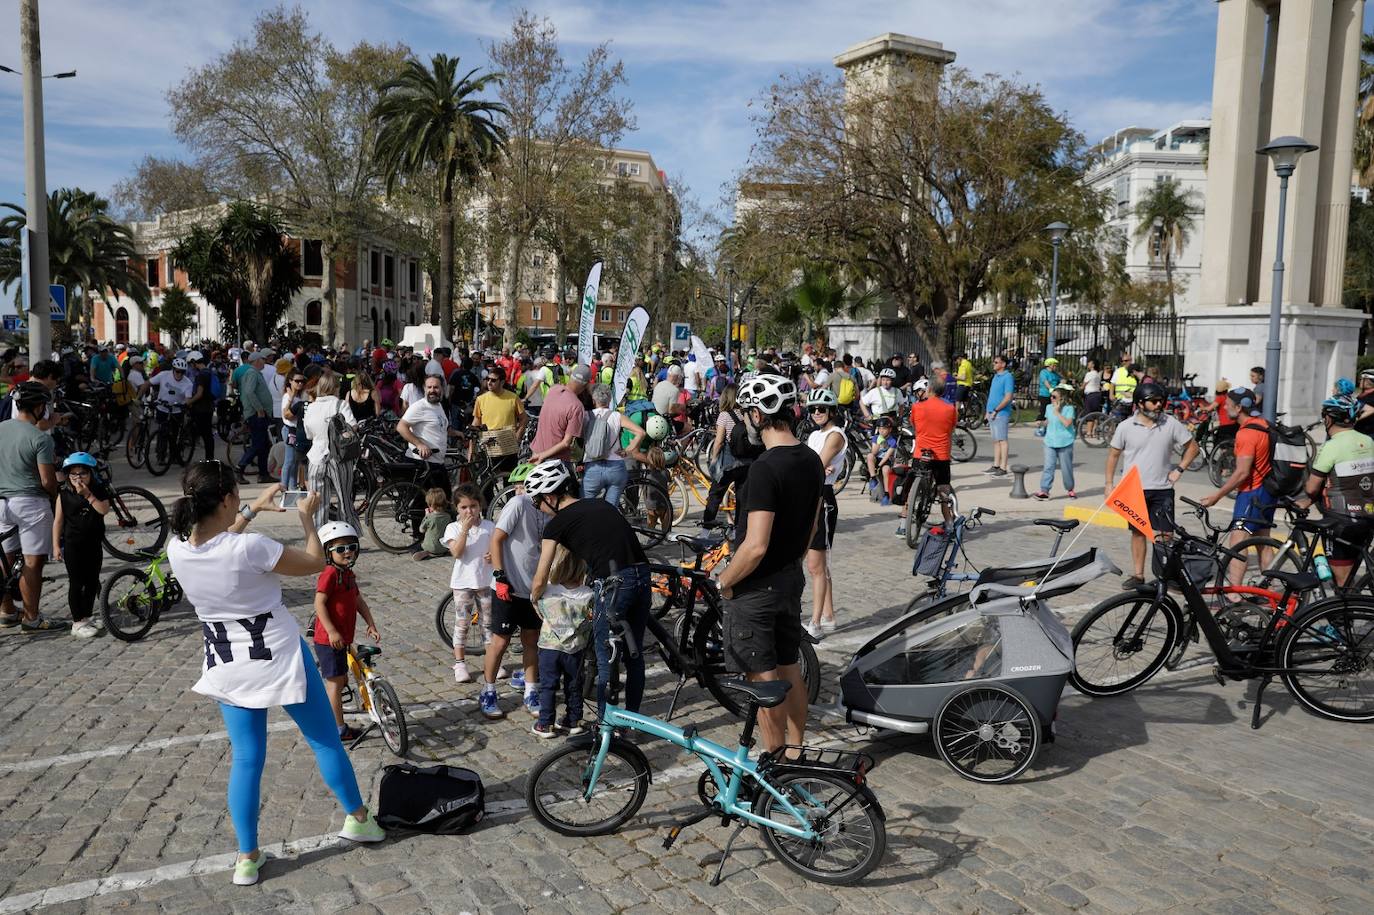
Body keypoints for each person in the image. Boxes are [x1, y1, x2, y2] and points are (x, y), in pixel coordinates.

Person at [166, 467, 383, 887]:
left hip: (226, 663)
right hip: (280, 656)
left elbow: (216, 540)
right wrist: (306, 517)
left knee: (247, 759)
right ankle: (358, 818)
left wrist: (251, 509)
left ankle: (247, 857)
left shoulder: (177, 547)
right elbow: (314, 562)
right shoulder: (250, 548)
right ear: (226, 498)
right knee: (324, 740)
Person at [717, 375, 823, 753]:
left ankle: (773, 763)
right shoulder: (810, 458)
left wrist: (724, 581)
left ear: (758, 414)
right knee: (789, 668)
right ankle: (795, 750)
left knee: (763, 682)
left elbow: (755, 546)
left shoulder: (765, 467)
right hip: (789, 578)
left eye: (747, 413)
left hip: (756, 588)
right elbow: (811, 526)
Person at [527, 460, 652, 715]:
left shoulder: (557, 525)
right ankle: (633, 721)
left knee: (604, 654)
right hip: (643, 574)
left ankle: (605, 723)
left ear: (550, 496)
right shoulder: (602, 504)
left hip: (616, 583)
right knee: (634, 655)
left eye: (537, 501)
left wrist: (534, 599)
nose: (538, 507)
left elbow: (541, 577)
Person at [1105, 382, 1199, 588]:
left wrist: (1180, 469)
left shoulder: (1171, 423)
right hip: (1135, 489)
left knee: (1165, 536)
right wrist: (1109, 483)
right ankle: (1138, 574)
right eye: (1154, 401)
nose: (1159, 405)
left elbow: (1193, 447)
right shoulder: (1126, 427)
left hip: (1163, 489)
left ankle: (1165, 576)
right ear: (1140, 403)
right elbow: (1113, 455)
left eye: (1161, 401)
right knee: (1138, 533)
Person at [482, 463, 545, 719]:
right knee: (500, 642)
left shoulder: (549, 509)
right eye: (517, 487)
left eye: (523, 486)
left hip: (533, 589)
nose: (520, 491)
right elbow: (496, 538)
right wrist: (499, 577)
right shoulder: (518, 504)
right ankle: (488, 690)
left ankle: (531, 689)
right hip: (507, 586)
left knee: (531, 641)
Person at [0, 383, 63, 632]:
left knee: (4, 559)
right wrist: (57, 497)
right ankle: (31, 617)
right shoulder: (39, 439)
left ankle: (6, 611)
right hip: (30, 504)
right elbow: (48, 481)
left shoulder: (1, 428)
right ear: (38, 407)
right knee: (32, 562)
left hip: (1, 503)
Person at [1199, 387, 1275, 586]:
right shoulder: (1263, 425)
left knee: (1237, 542)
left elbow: (1242, 472)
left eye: (1229, 404)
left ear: (1239, 407)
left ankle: (1234, 594)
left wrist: (1217, 495)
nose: (1224, 406)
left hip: (1251, 493)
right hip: (1267, 492)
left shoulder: (1247, 434)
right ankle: (1270, 592)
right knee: (1262, 542)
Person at [1296, 395, 1374, 587]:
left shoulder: (1331, 446)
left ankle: (1342, 615)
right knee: (1352, 575)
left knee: (1342, 584)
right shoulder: (1368, 441)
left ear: (1328, 419)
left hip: (1340, 520)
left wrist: (1306, 497)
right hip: (1368, 517)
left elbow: (1312, 487)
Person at [312, 522, 380, 742]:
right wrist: (331, 631)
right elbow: (319, 604)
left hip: (342, 638)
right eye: (340, 549)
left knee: (340, 679)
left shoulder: (348, 574)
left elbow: (358, 600)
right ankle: (339, 729)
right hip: (328, 640)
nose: (347, 551)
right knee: (335, 683)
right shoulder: (330, 573)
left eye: (351, 546)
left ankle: (335, 713)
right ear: (328, 552)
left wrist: (370, 623)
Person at [531, 543, 593, 738]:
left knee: (548, 685)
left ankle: (545, 723)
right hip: (574, 649)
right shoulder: (588, 593)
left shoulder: (549, 590)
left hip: (549, 646)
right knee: (574, 684)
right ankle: (573, 720)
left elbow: (536, 602)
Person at [52, 452, 110, 638]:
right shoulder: (64, 495)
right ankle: (77, 622)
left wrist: (88, 495)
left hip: (93, 543)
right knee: (76, 583)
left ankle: (87, 616)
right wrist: (55, 545)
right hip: (73, 545)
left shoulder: (99, 490)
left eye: (83, 473)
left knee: (92, 580)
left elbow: (103, 510)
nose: (78, 478)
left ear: (91, 474)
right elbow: (58, 522)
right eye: (74, 474)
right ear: (68, 475)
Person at [443, 484, 495, 683]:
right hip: (463, 582)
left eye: (473, 506)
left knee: (488, 623)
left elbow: (497, 549)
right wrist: (464, 530)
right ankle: (460, 662)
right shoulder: (453, 528)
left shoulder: (489, 527)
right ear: (456, 508)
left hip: (486, 581)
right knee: (462, 623)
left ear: (479, 505)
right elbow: (457, 552)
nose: (469, 511)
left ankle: (492, 661)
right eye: (464, 507)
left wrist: (493, 555)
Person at [804, 388, 844, 639]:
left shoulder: (835, 434)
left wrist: (815, 467)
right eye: (813, 408)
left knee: (816, 565)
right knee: (818, 565)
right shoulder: (814, 435)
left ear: (831, 411)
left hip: (824, 500)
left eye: (822, 408)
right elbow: (812, 465)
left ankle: (816, 622)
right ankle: (829, 615)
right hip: (810, 496)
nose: (817, 412)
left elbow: (816, 464)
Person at [398, 376, 455, 549]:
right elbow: (401, 427)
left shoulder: (438, 406)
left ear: (442, 389)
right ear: (424, 388)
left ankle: (438, 536)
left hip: (437, 461)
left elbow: (440, 429)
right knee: (423, 501)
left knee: (443, 498)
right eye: (429, 387)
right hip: (422, 461)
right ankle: (419, 538)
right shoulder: (419, 406)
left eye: (436, 387)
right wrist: (420, 444)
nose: (432, 390)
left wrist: (457, 433)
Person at [302, 371, 358, 529]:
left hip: (315, 458)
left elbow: (308, 435)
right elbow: (352, 426)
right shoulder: (340, 404)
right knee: (344, 501)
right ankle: (347, 537)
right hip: (338, 457)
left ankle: (318, 540)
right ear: (335, 387)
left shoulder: (310, 407)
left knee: (318, 504)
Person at [904, 377, 958, 534]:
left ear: (929, 390)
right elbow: (951, 428)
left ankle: (904, 520)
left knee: (912, 485)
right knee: (943, 489)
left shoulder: (917, 407)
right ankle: (948, 522)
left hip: (921, 452)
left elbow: (914, 425)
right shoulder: (950, 408)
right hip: (941, 455)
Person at [529, 364, 590, 463]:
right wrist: (543, 456)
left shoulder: (553, 389)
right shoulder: (577, 406)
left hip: (536, 452)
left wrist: (540, 455)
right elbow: (566, 443)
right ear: (586, 385)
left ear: (570, 376)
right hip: (555, 460)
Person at [235, 352, 276, 484]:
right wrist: (258, 409)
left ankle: (263, 474)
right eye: (263, 359)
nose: (264, 362)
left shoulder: (255, 373)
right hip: (256, 414)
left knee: (263, 445)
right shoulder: (252, 373)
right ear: (257, 360)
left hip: (260, 413)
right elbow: (249, 392)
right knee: (258, 444)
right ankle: (240, 467)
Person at [1034, 383, 1077, 500]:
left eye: (1054, 397)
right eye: (1051, 396)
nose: (1051, 399)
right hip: (1050, 441)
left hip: (1065, 442)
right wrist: (1041, 423)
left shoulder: (1069, 409)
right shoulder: (1048, 407)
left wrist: (1057, 412)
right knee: (1048, 466)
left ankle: (1070, 489)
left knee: (1066, 468)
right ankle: (1044, 490)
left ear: (1061, 398)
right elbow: (1048, 421)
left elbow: (1067, 423)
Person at [984, 354, 1015, 476]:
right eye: (994, 362)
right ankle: (996, 465)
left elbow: (1008, 397)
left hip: (1001, 413)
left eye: (996, 362)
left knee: (1002, 440)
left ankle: (1003, 467)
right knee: (996, 440)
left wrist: (997, 410)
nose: (994, 364)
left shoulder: (1008, 377)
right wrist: (987, 411)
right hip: (992, 412)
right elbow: (991, 395)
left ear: (1003, 364)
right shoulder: (995, 377)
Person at [414, 487, 454, 562]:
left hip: (430, 547)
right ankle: (445, 552)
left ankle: (427, 552)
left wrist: (426, 516)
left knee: (415, 547)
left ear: (430, 505)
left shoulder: (429, 517)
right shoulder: (448, 516)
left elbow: (421, 530)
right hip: (443, 547)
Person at [1035, 357, 1061, 437]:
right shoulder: (1044, 372)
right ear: (1049, 365)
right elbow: (1045, 382)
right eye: (1054, 365)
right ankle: (1039, 428)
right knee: (1043, 412)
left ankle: (1047, 428)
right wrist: (1051, 389)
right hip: (1045, 395)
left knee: (1052, 413)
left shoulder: (1055, 374)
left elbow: (1060, 380)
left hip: (1054, 396)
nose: (1055, 366)